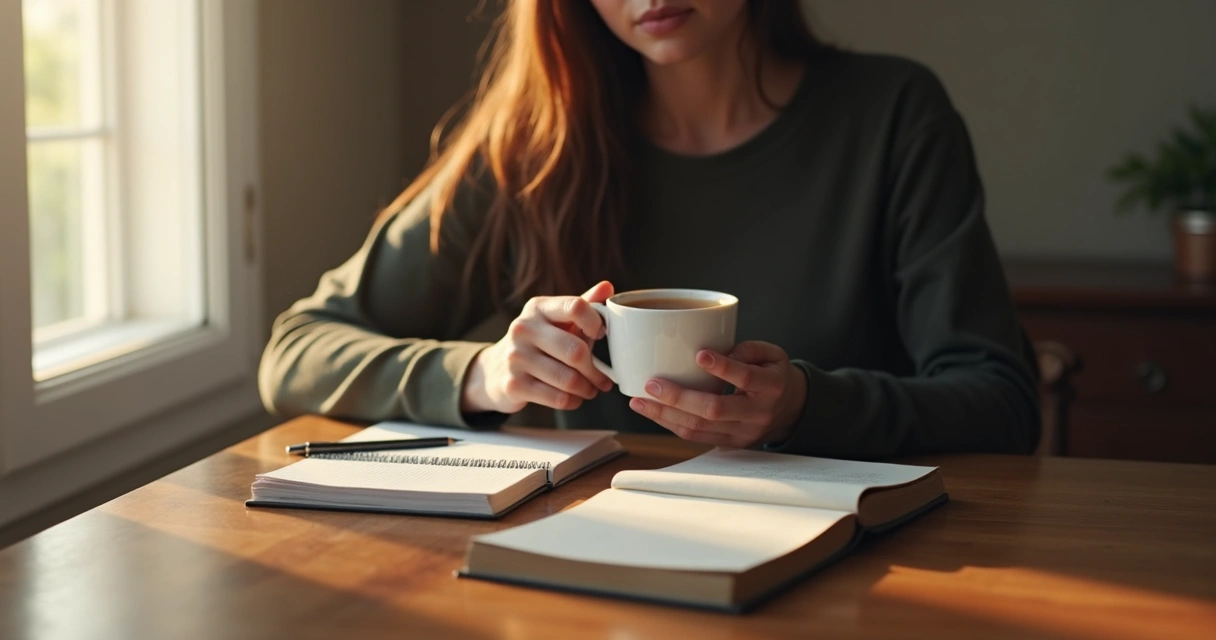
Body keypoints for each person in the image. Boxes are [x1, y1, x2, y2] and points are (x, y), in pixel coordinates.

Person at [258, 0, 1040, 459]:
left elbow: (1002, 402)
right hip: (587, 574)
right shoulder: (533, 148)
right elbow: (295, 350)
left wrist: (802, 403)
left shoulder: (893, 116)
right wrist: (486, 376)